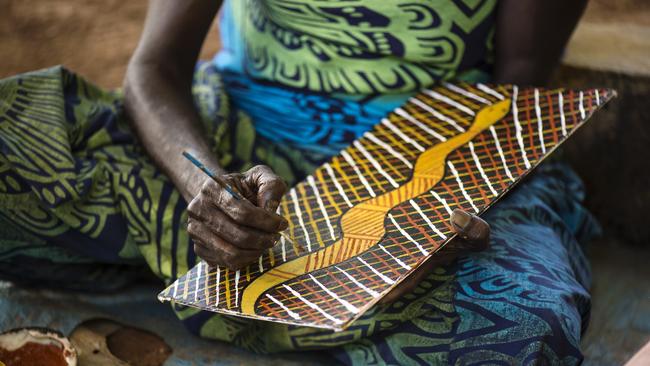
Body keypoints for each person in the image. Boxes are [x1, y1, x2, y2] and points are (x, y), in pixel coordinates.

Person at [0, 0, 595, 364]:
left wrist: (424, 214)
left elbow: (517, 90)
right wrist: (204, 186)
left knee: (523, 326)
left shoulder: (436, 162)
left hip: (425, 157)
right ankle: (319, 308)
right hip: (232, 134)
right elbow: (154, 67)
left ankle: (230, 286)